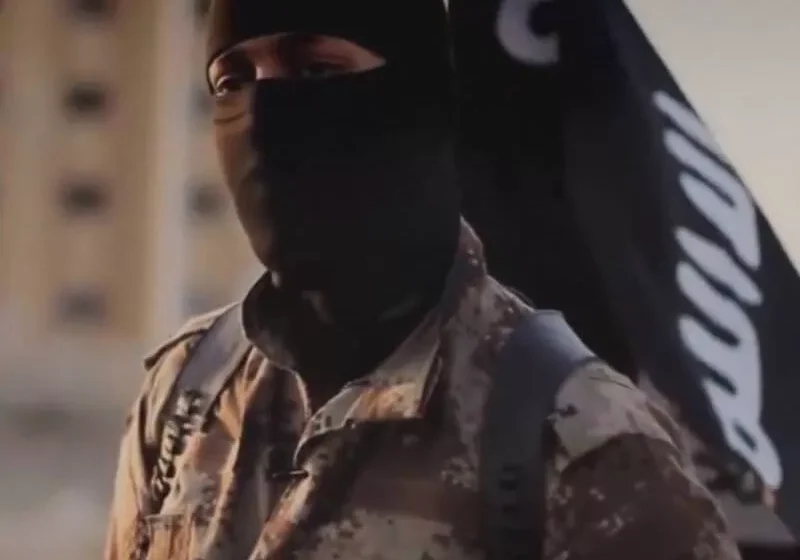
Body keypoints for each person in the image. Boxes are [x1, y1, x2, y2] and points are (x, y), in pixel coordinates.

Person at [103, 0, 741, 558]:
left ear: (419, 98)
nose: (264, 112)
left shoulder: (586, 446)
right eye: (233, 80)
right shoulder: (185, 392)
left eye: (316, 70)